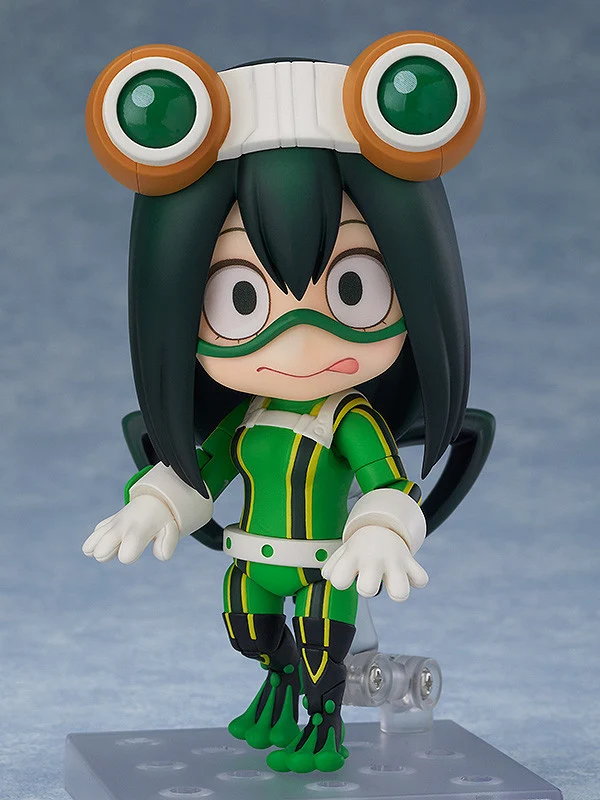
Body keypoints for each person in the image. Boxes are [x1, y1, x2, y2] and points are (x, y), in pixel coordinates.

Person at [82, 32, 494, 773]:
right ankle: (275, 693)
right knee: (248, 629)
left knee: (322, 654)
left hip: (324, 570)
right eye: (241, 300)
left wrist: (384, 529)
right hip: (254, 560)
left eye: (353, 289)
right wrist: (157, 502)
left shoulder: (348, 418)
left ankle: (321, 724)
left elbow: (387, 483)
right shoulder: (246, 419)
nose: (301, 341)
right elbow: (203, 470)